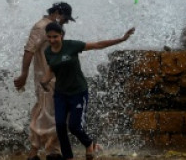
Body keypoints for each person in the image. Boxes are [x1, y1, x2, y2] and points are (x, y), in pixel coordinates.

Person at [40, 21, 135, 160]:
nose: (52, 40)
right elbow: (52, 68)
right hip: (60, 93)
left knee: (74, 126)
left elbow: (98, 45)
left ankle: (89, 143)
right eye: (49, 37)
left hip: (78, 92)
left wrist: (121, 39)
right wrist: (45, 80)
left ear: (61, 35)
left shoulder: (72, 46)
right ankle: (68, 157)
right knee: (60, 126)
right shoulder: (47, 51)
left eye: (55, 37)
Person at [14, 2, 76, 160]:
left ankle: (51, 151)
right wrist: (24, 74)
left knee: (53, 113)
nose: (65, 22)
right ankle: (39, 152)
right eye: (65, 19)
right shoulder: (41, 27)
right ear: (57, 13)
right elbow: (29, 50)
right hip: (46, 80)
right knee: (46, 112)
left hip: (56, 79)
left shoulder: (52, 28)